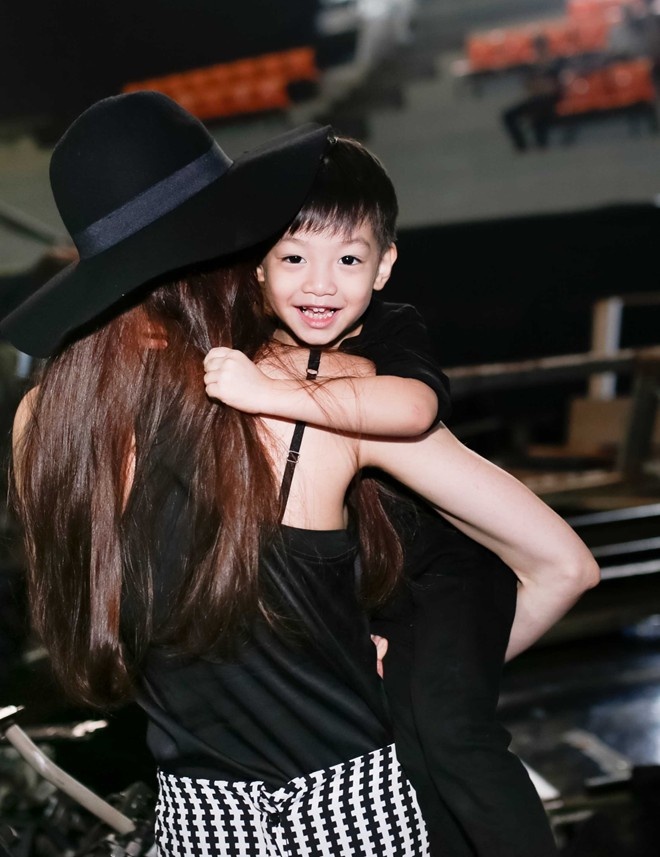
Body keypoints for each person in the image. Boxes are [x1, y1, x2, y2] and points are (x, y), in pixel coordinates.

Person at [3, 92, 599, 857]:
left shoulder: (41, 424)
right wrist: (420, 682)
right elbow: (563, 565)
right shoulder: (316, 389)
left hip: (199, 834)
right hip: (354, 827)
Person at [201, 136, 570, 856]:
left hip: (447, 579)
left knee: (452, 733)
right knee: (402, 760)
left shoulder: (390, 328)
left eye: (348, 260)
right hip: (371, 589)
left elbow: (412, 410)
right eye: (294, 258)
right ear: (257, 266)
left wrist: (270, 393)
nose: (320, 285)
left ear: (384, 266)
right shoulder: (253, 340)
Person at [501, 34, 565, 152]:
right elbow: (530, 86)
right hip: (537, 99)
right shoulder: (532, 66)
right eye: (537, 46)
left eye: (541, 46)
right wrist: (539, 83)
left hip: (550, 99)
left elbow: (552, 87)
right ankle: (521, 145)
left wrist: (541, 83)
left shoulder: (555, 63)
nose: (539, 49)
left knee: (539, 116)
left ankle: (540, 145)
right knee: (508, 115)